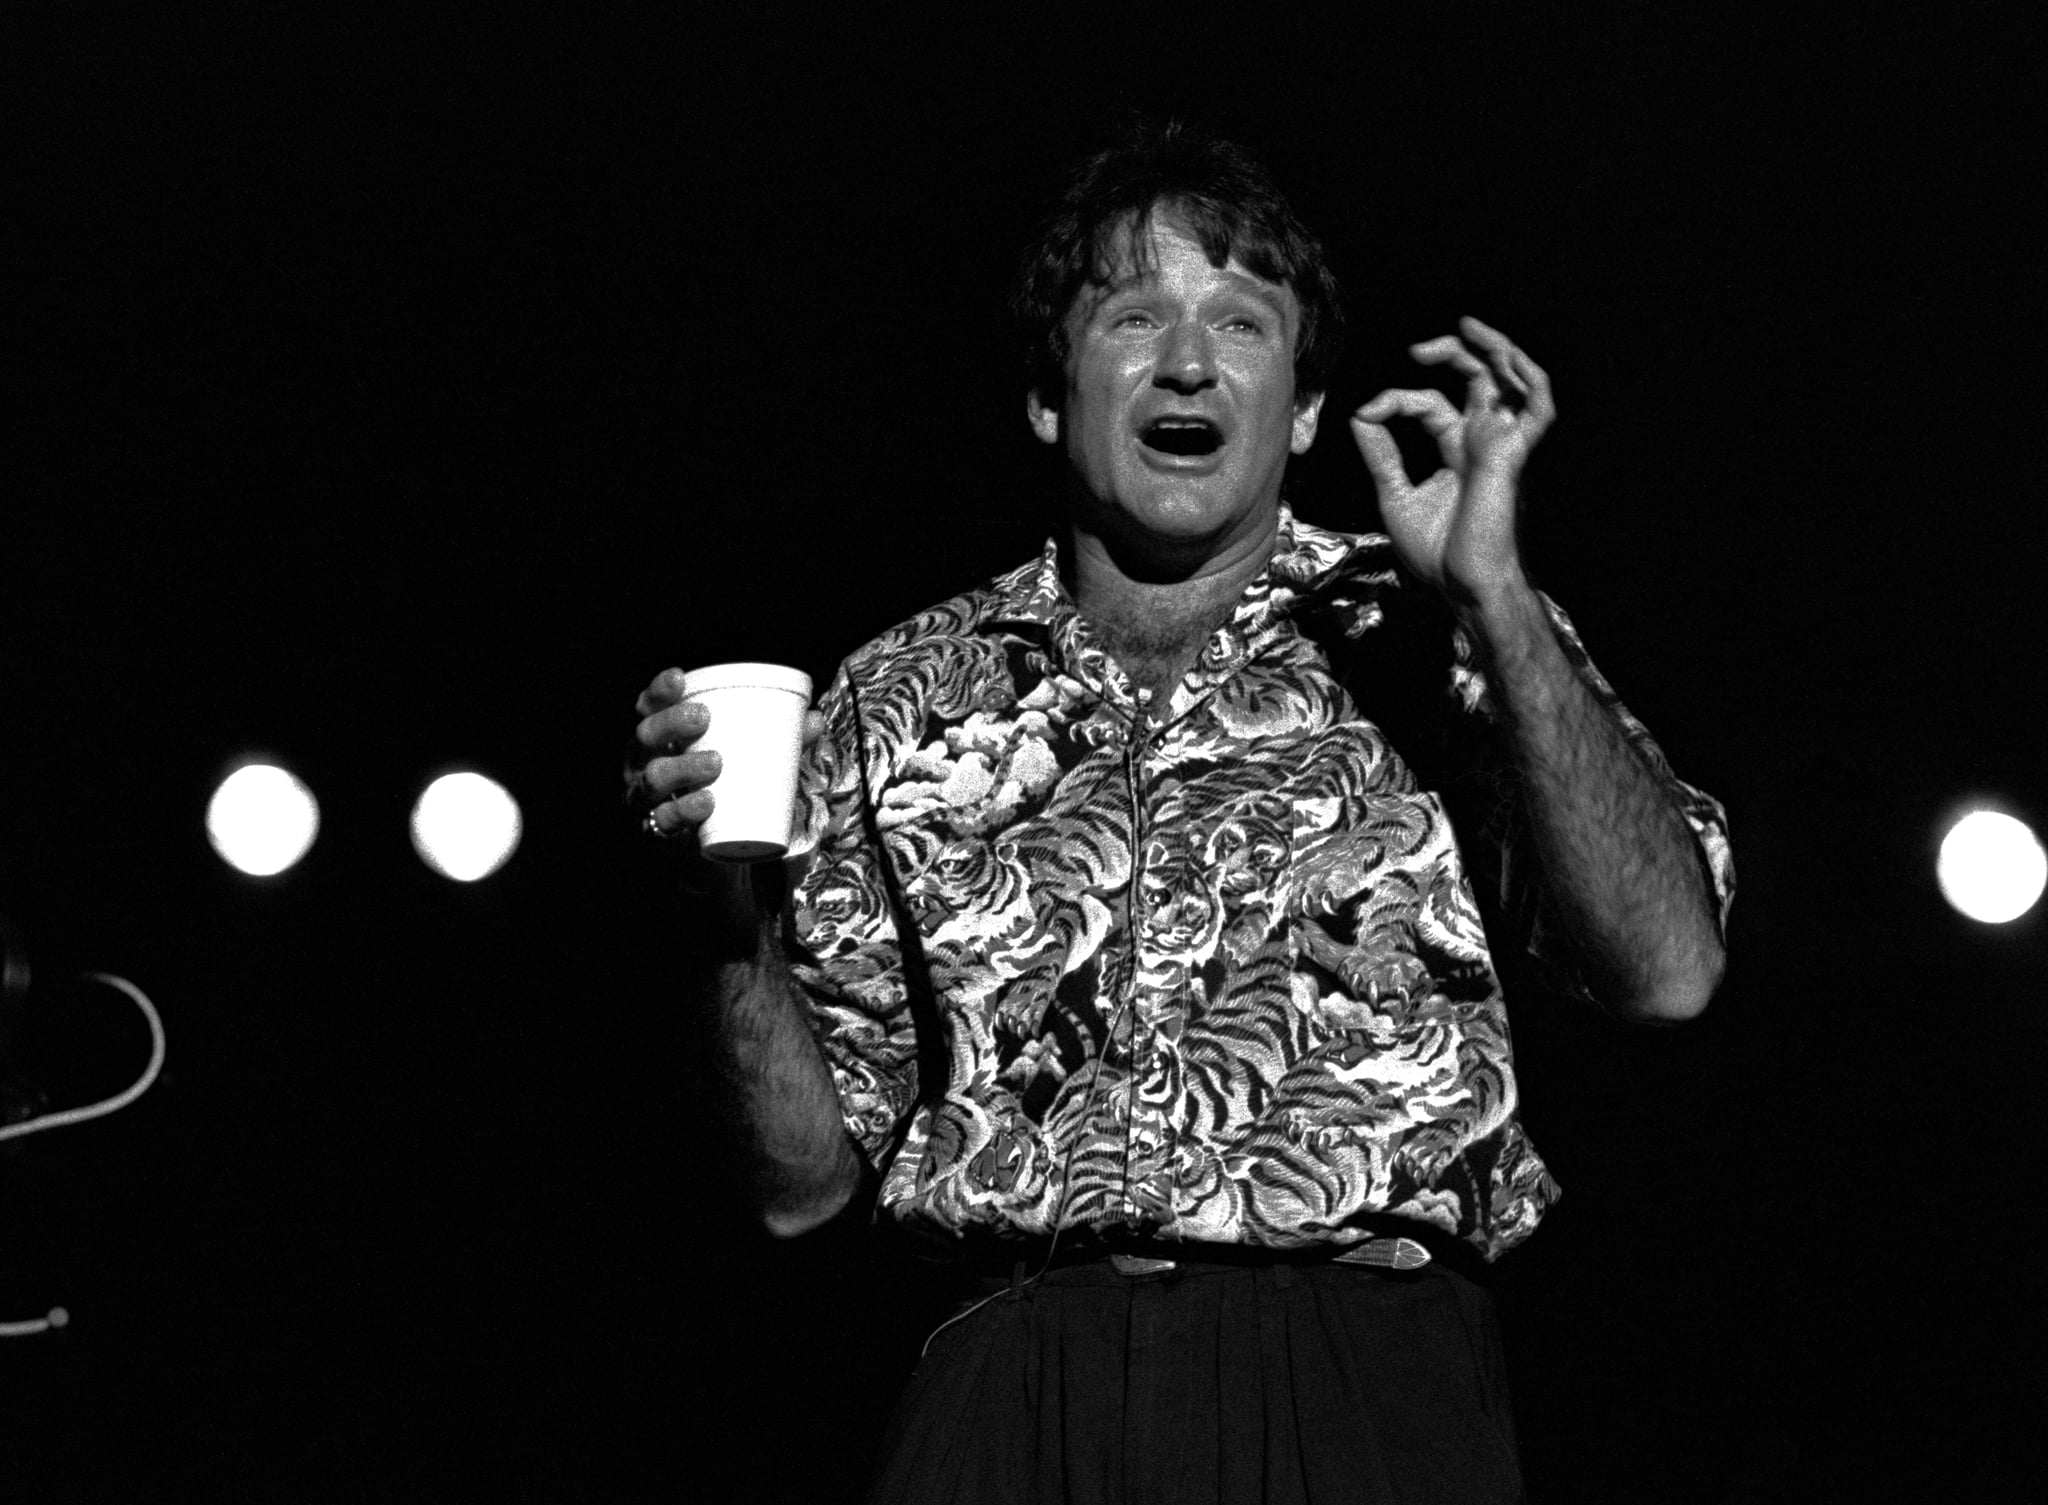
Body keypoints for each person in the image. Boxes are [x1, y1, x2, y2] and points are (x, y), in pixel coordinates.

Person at [626, 120, 1733, 1504]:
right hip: (1010, 1383)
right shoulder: (896, 694)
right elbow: (800, 1186)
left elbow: (1673, 971)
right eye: (1135, 313)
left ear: (1310, 409)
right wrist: (720, 921)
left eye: (1244, 322)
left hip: (1362, 1381)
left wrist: (1499, 599)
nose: (1190, 361)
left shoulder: (1444, 640)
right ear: (1050, 393)